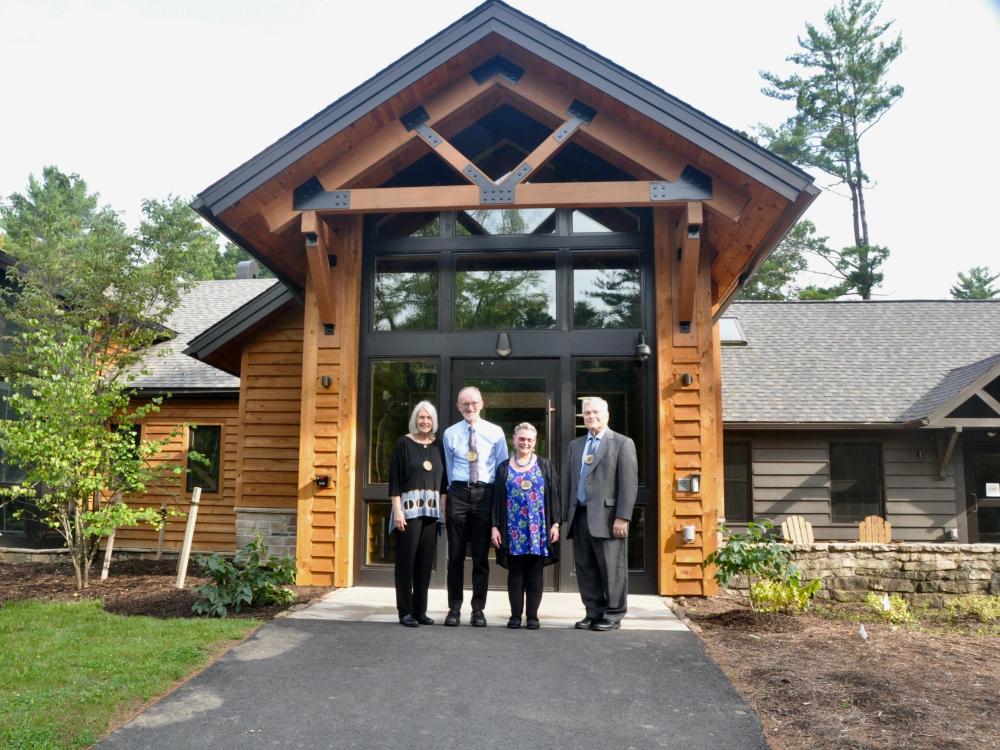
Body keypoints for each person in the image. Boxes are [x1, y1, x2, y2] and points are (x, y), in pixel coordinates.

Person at [563, 396, 637, 631]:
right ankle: (593, 612)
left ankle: (613, 614)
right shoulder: (575, 446)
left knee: (612, 569)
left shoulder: (622, 443)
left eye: (595, 412)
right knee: (586, 568)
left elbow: (629, 483)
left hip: (609, 518)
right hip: (581, 516)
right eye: (586, 413)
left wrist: (623, 516)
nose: (591, 417)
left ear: (607, 415)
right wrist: (565, 515)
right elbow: (569, 482)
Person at [441, 386, 507, 627]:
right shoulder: (450, 434)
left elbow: (502, 469)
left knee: (480, 557)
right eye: (464, 403)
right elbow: (448, 469)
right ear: (459, 406)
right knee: (455, 556)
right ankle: (454, 608)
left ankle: (478, 610)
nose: (470, 407)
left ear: (482, 403)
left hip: (484, 493)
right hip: (458, 492)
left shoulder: (495, 432)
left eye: (474, 403)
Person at [491, 422, 559, 630]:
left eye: (529, 439)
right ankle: (515, 616)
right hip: (512, 530)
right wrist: (494, 526)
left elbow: (554, 495)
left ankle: (532, 617)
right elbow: (496, 499)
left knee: (535, 573)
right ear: (514, 440)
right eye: (521, 438)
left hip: (538, 529)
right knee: (515, 573)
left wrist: (555, 524)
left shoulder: (544, 465)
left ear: (535, 442)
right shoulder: (503, 467)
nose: (525, 443)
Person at [388, 401, 447, 627]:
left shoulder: (438, 445)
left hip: (431, 513)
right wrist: (397, 511)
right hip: (408, 512)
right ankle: (405, 611)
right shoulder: (404, 443)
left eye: (429, 418)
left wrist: (442, 509)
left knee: (424, 564)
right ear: (415, 419)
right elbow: (394, 480)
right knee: (406, 563)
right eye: (421, 418)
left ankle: (420, 610)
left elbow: (444, 482)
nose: (425, 422)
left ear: (434, 421)